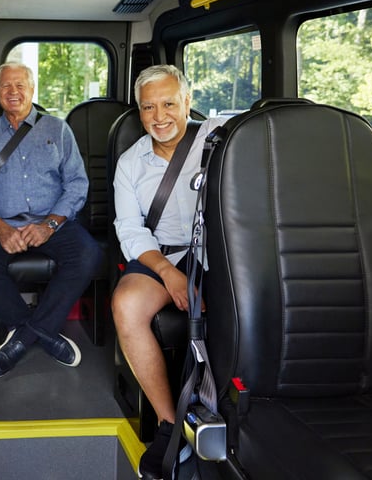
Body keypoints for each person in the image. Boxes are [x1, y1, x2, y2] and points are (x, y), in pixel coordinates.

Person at [110, 64, 224, 480]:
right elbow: (130, 228)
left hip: (221, 255)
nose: (159, 116)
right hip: (161, 256)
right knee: (126, 305)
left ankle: (229, 411)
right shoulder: (130, 161)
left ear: (188, 102)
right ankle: (168, 424)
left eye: (169, 104)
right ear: (138, 112)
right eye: (148, 107)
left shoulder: (219, 139)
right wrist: (168, 271)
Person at [0, 61, 102, 379]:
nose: (14, 92)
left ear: (32, 89)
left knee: (88, 254)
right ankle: (44, 333)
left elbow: (77, 184)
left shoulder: (58, 129)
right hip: (1, 220)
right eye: (6, 86)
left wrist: (49, 224)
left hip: (51, 220)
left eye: (20, 85)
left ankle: (25, 336)